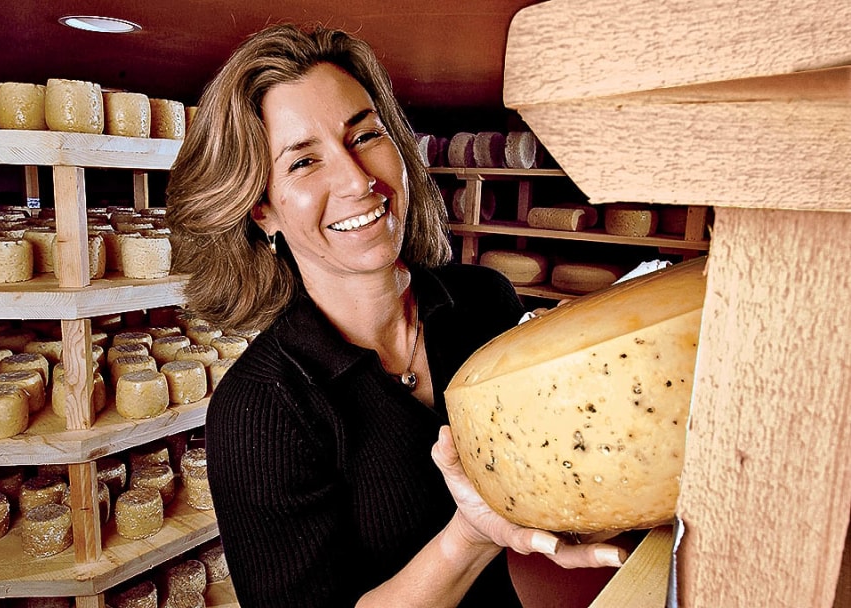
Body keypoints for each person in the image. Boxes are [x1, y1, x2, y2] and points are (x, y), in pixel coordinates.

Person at [166, 23, 625, 608]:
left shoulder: (485, 303)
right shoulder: (262, 410)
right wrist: (470, 537)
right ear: (262, 210)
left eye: (365, 136)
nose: (358, 180)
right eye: (304, 162)